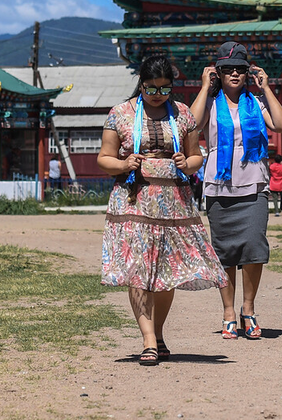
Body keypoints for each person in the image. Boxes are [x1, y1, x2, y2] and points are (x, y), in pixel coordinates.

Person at [97, 51, 226, 366]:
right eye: (151, 88)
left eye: (164, 89)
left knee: (166, 274)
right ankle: (148, 340)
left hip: (173, 207)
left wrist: (189, 162)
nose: (157, 95)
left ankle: (159, 332)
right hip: (133, 202)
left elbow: (197, 156)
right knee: (139, 273)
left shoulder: (182, 114)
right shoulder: (120, 114)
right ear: (140, 84)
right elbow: (104, 158)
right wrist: (124, 163)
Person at [190, 41, 282, 340]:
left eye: (240, 69)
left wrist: (265, 88)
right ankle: (228, 312)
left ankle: (248, 309)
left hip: (254, 185)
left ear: (249, 73)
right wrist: (205, 88)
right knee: (225, 253)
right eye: (227, 69)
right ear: (218, 73)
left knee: (253, 248)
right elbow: (191, 124)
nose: (234, 74)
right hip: (220, 188)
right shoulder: (210, 102)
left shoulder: (256, 103)